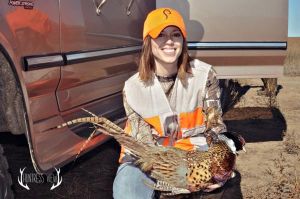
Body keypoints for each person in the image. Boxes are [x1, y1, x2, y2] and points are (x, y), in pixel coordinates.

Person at [113, 8, 227, 199]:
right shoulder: (132, 88)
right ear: (148, 41)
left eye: (176, 34)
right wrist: (169, 175)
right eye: (160, 35)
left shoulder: (204, 75)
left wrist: (221, 166)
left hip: (194, 152)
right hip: (146, 157)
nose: (169, 41)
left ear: (183, 40)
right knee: (127, 191)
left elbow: (216, 129)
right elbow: (144, 147)